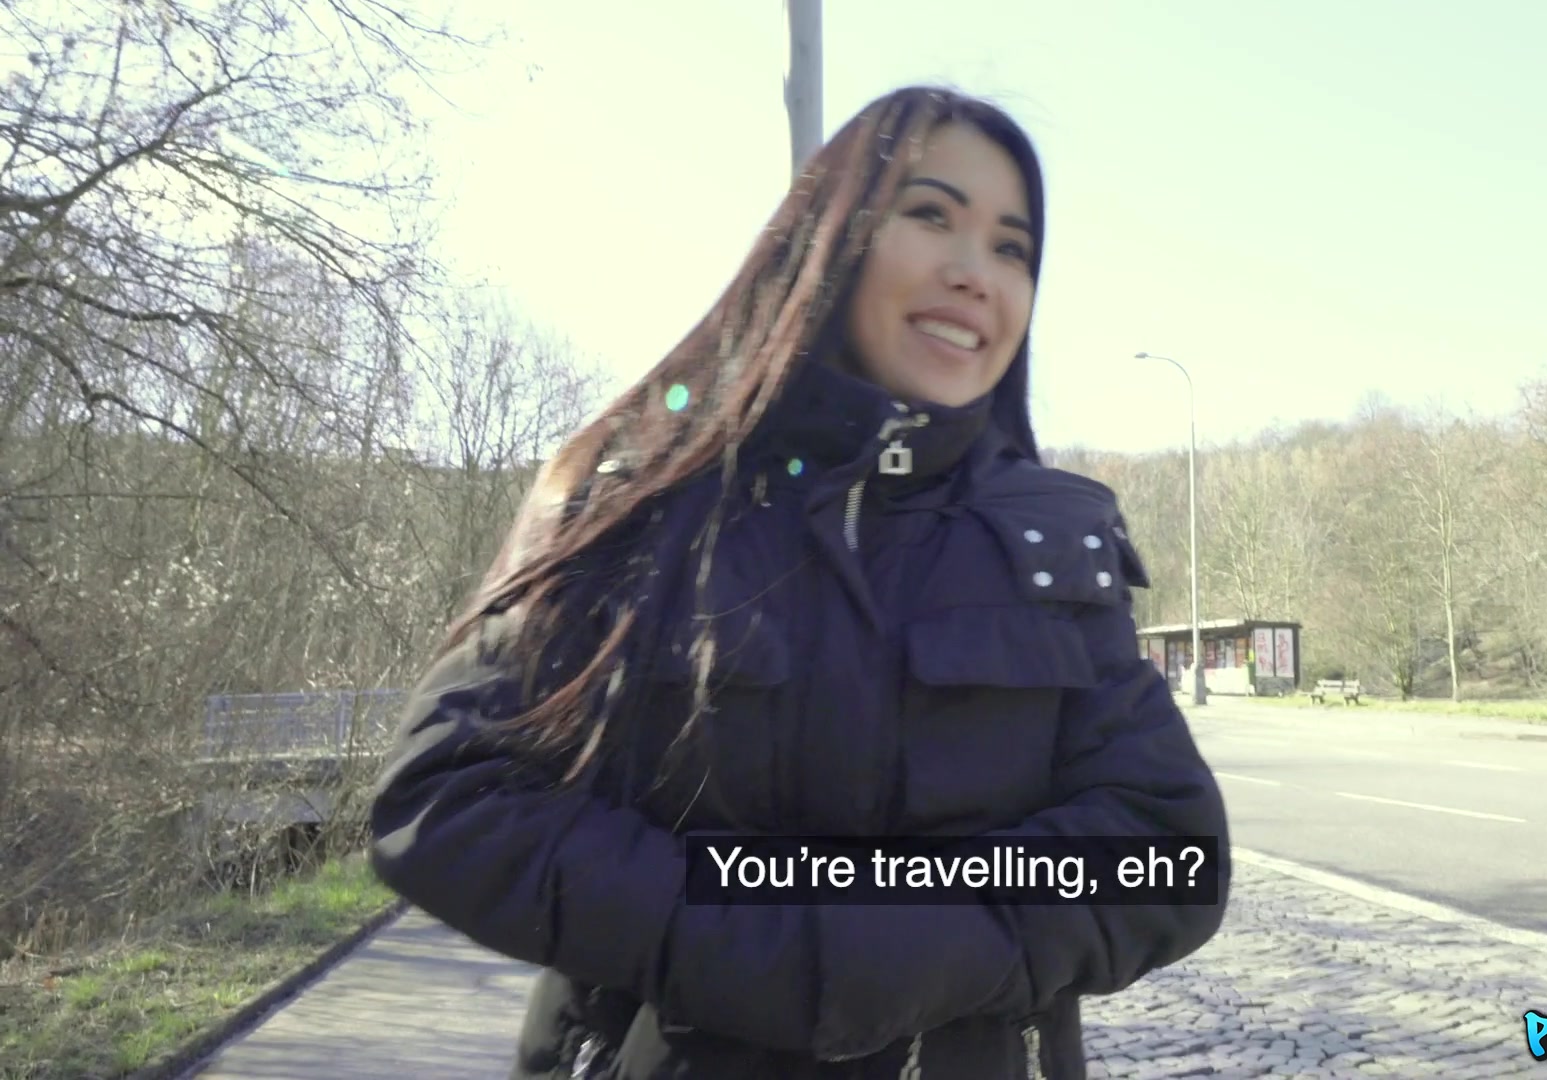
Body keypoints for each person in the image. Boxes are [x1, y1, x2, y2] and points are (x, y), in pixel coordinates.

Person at [365, 85, 1231, 1080]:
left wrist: (921, 935)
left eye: (1012, 248)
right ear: (833, 239)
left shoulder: (1054, 540)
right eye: (931, 215)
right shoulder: (641, 498)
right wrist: (754, 937)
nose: (974, 272)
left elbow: (1165, 846)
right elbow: (448, 799)